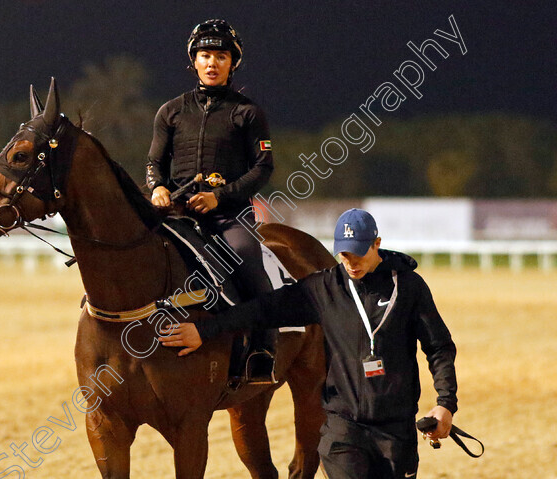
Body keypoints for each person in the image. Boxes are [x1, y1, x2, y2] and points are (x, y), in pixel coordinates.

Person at [159, 208, 458, 479]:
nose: (351, 263)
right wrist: (205, 330)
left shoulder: (409, 287)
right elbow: (261, 310)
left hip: (396, 430)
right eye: (344, 255)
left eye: (358, 254)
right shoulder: (323, 287)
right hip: (343, 429)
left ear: (376, 244)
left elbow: (439, 346)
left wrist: (445, 403)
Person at [146, 19, 274, 299]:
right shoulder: (170, 111)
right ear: (194, 61)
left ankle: (264, 340)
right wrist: (158, 187)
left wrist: (219, 197)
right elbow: (154, 164)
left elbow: (263, 167)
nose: (212, 63)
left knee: (245, 258)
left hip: (229, 216)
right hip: (177, 213)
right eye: (204, 56)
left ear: (233, 63)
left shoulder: (249, 113)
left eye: (221, 56)